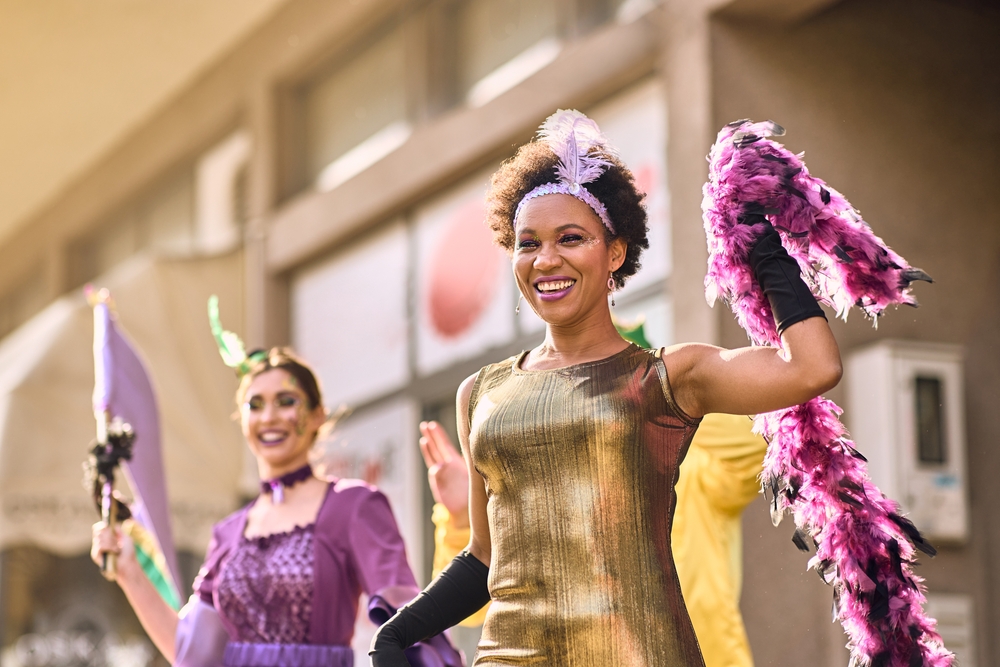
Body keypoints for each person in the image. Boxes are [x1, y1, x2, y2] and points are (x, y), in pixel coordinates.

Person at [369, 110, 841, 666]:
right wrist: (400, 632)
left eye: (571, 238)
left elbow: (811, 368)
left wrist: (762, 249)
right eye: (528, 243)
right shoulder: (480, 392)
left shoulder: (669, 376)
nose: (546, 259)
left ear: (614, 252)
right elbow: (484, 556)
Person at [92, 345, 460, 667]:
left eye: (286, 402)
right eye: (255, 405)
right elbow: (192, 653)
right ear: (243, 420)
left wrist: (459, 518)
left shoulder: (354, 506)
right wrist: (129, 572)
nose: (268, 417)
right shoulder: (229, 533)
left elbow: (409, 620)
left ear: (318, 414)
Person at [419, 407, 766, 667]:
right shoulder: (546, 509)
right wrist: (466, 517)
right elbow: (471, 607)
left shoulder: (688, 472)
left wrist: (680, 403)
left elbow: (767, 428)